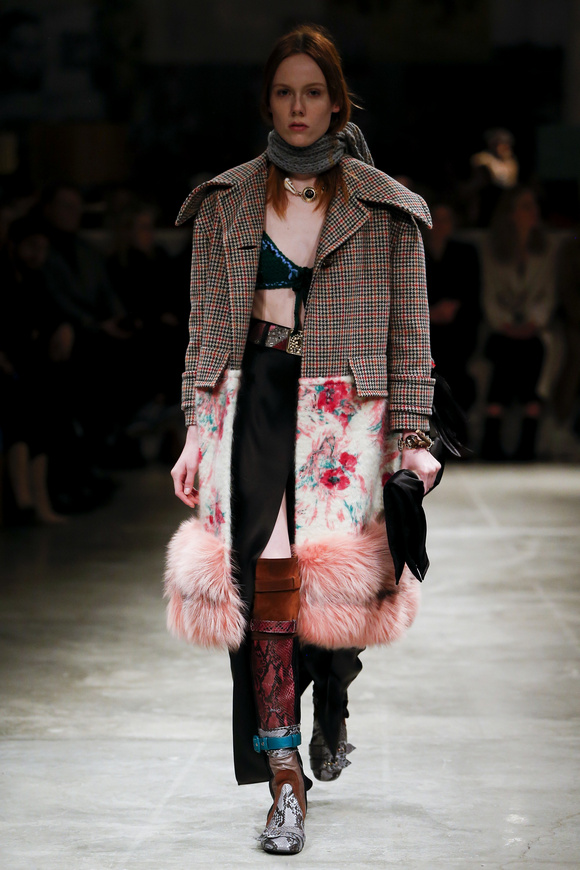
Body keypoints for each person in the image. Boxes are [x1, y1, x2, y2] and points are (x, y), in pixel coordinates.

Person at [166, 25, 440, 855]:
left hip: (343, 413)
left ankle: (335, 700)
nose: (298, 107)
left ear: (336, 102)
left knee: (339, 600)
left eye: (313, 92)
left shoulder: (384, 208)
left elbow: (410, 334)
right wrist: (193, 432)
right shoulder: (225, 202)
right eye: (285, 92)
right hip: (251, 400)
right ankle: (285, 779)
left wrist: (413, 436)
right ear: (268, 101)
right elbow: (205, 328)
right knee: (272, 586)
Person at [480, 186, 558, 461]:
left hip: (535, 329)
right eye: (526, 206)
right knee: (505, 350)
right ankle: (493, 440)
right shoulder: (494, 249)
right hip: (501, 328)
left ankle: (526, 441)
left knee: (534, 350)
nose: (533, 212)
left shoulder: (546, 249)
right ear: (511, 213)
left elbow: (548, 294)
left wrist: (533, 323)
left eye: (534, 206)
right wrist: (506, 324)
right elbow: (490, 294)